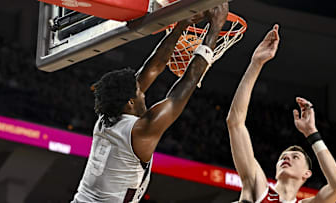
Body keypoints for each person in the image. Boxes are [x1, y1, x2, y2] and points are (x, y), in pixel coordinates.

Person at [71, 3, 229, 203]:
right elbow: (187, 83)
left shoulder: (107, 117)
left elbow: (153, 67)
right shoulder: (141, 130)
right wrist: (215, 28)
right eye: (139, 91)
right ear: (130, 102)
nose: (143, 93)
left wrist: (181, 25)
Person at [226, 24, 336, 203]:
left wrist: (312, 133)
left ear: (307, 174)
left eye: (294, 157)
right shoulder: (258, 188)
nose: (286, 158)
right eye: (283, 157)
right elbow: (235, 122)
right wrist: (256, 63)